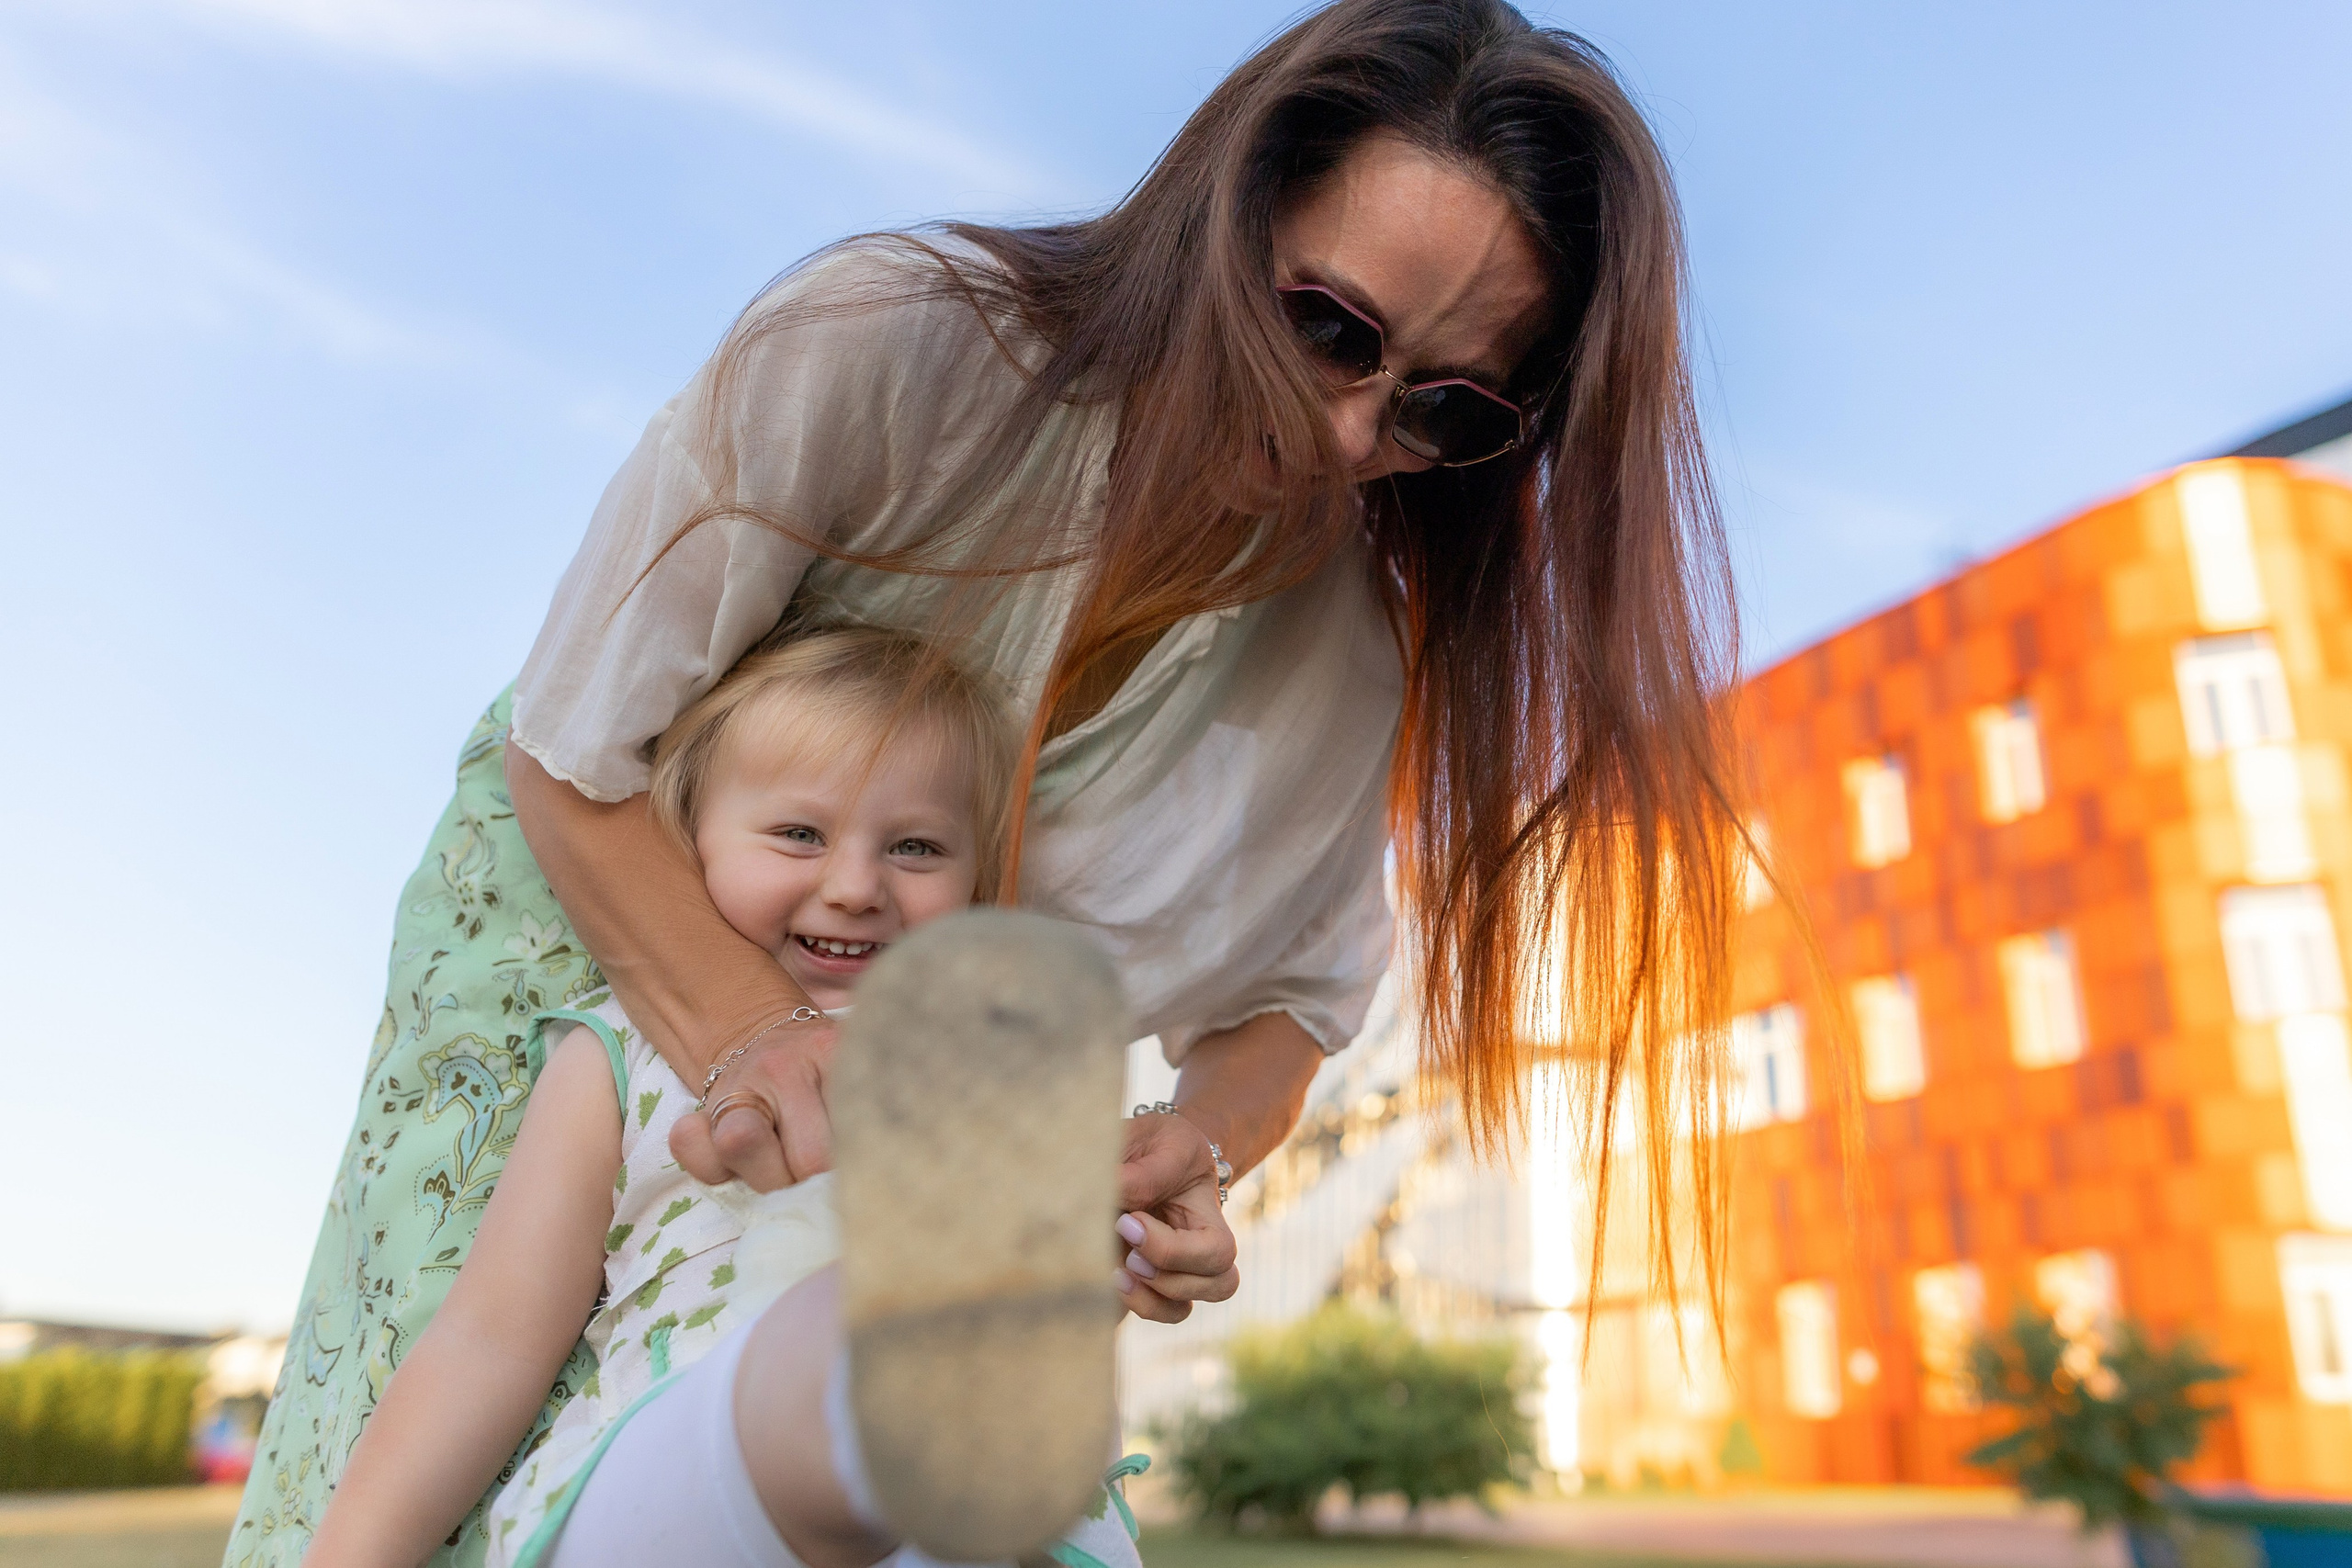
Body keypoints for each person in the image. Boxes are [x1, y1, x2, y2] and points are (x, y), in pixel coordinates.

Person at [231, 3, 1748, 1562]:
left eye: (1446, 409)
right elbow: (575, 749)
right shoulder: (890, 339)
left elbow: (1297, 1001)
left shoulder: (1346, 657)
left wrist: (1190, 1145)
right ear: (1231, 213)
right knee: (436, 1455)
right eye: (1330, 325)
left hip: (927, 1251)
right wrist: (760, 1039)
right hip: (576, 977)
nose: (1351, 430)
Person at [302, 627, 1145, 1568]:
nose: (856, 886)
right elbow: (491, 1339)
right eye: (797, 834)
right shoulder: (622, 1050)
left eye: (915, 847)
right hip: (684, 1461)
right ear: (687, 843)